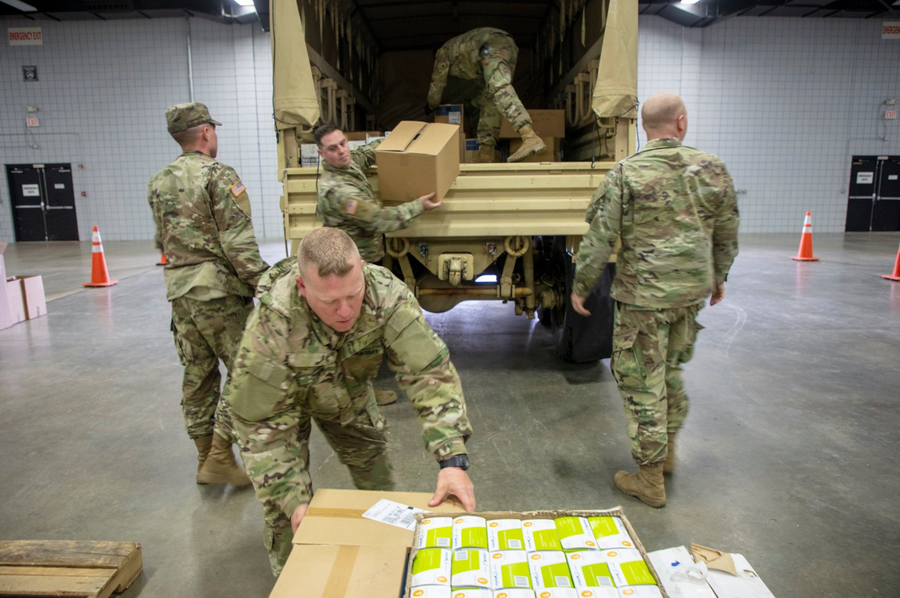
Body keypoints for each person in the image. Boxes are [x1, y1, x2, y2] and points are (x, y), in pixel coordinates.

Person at [223, 227, 475, 575]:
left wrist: (452, 460)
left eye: (353, 296)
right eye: (329, 302)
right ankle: (292, 581)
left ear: (361, 271)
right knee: (287, 516)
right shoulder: (273, 321)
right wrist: (292, 497)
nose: (345, 311)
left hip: (349, 396)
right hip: (284, 406)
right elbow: (258, 423)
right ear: (302, 287)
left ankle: (383, 574)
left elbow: (428, 373)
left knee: (381, 493)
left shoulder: (385, 295)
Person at [570, 92, 740, 508]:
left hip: (643, 299)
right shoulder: (712, 168)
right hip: (688, 297)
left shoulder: (626, 173)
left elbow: (600, 237)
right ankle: (667, 455)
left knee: (642, 384)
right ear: (680, 123)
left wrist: (581, 285)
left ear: (645, 128)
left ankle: (648, 479)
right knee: (670, 373)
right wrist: (719, 278)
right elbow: (727, 232)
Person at [148, 102, 270, 487]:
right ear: (205, 132)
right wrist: (263, 284)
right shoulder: (219, 175)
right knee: (248, 371)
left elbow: (161, 241)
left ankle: (205, 460)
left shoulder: (158, 181)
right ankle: (219, 456)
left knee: (198, 375)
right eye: (213, 130)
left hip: (179, 293)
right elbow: (237, 243)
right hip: (217, 294)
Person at [315, 124, 442, 405]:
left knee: (363, 330)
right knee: (356, 334)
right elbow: (377, 219)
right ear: (321, 153)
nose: (342, 151)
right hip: (349, 270)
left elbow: (364, 154)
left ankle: (357, 391)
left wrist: (402, 143)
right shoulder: (337, 191)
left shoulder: (347, 163)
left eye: (343, 143)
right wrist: (418, 206)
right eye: (333, 148)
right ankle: (356, 395)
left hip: (363, 261)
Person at [426, 27, 544, 163]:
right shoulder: (465, 52)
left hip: (491, 48)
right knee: (491, 97)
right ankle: (486, 153)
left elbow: (438, 83)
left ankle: (529, 135)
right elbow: (484, 93)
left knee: (499, 88)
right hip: (505, 47)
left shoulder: (443, 51)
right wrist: (472, 105)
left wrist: (431, 104)